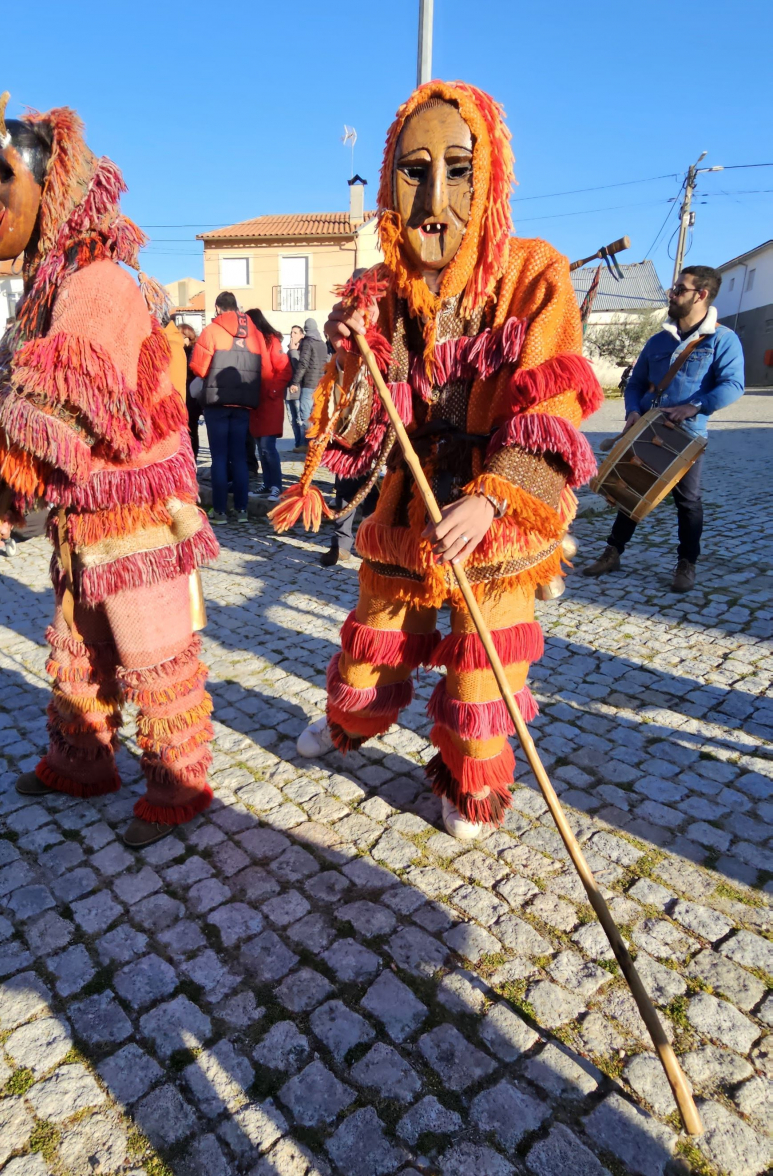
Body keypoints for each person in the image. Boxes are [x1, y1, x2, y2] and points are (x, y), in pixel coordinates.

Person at [272, 79, 602, 839]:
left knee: (485, 664)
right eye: (414, 172)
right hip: (409, 498)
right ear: (389, 176)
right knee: (376, 631)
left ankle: (469, 781)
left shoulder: (535, 274)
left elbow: (552, 406)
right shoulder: (377, 289)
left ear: (488, 175)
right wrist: (355, 352)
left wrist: (491, 497)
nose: (434, 198)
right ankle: (352, 725)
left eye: (457, 170)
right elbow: (355, 433)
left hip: (497, 507)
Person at [0, 91, 218, 848]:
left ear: (54, 186)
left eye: (1, 174)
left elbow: (57, 410)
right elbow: (15, 389)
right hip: (83, 516)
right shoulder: (44, 290)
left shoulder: (99, 282)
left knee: (152, 650)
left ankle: (180, 782)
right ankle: (82, 760)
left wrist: (9, 481)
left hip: (137, 517)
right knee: (80, 643)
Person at [582, 266, 744, 592]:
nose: (672, 294)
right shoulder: (659, 339)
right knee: (631, 490)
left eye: (680, 289)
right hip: (646, 428)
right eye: (674, 288)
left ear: (701, 295)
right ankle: (612, 553)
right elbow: (636, 383)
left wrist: (695, 406)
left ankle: (687, 563)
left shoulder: (723, 340)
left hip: (687, 437)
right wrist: (631, 411)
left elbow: (734, 385)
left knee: (688, 503)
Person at [190, 291, 273, 524]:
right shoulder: (254, 333)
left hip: (216, 402)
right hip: (244, 404)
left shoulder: (211, 331)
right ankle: (242, 510)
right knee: (239, 457)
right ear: (237, 308)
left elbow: (199, 367)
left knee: (219, 457)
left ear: (217, 308)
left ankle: (220, 512)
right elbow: (263, 368)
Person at [246, 308, 292, 499]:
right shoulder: (250, 342)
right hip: (255, 403)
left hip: (269, 403)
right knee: (260, 447)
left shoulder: (271, 341)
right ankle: (267, 484)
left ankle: (276, 486)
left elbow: (285, 369)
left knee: (267, 446)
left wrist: (273, 391)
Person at [287, 317, 325, 452]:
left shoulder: (308, 343)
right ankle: (317, 442)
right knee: (316, 415)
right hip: (320, 384)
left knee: (305, 415)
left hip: (308, 383)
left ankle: (308, 444)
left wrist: (295, 382)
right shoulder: (322, 343)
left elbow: (303, 364)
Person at [178, 324, 202, 458]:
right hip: (184, 394)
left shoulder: (192, 351)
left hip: (191, 395)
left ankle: (193, 457)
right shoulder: (176, 350)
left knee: (192, 428)